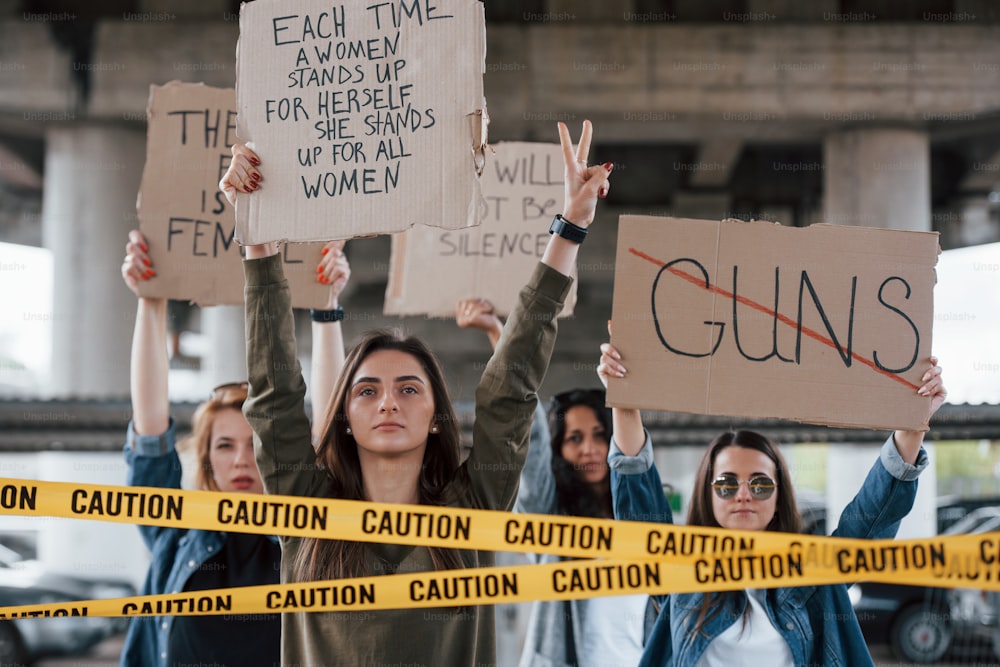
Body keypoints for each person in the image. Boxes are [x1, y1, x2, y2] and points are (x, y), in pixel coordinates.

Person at [219, 120, 612, 666]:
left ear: (435, 417)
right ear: (344, 418)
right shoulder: (305, 507)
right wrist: (257, 236)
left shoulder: (472, 511)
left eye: (408, 388)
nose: (388, 402)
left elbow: (511, 388)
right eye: (367, 391)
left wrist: (570, 227)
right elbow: (273, 395)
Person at [596, 339, 947, 667]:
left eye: (761, 484)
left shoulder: (814, 573)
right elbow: (637, 504)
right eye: (726, 483)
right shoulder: (680, 569)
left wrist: (913, 421)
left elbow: (870, 520)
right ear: (708, 494)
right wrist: (624, 398)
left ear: (779, 499)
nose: (744, 494)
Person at [118, 229, 350, 667]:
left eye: (257, 445)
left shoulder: (305, 537)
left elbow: (330, 433)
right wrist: (151, 300)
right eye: (225, 445)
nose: (243, 459)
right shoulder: (175, 535)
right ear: (206, 459)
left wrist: (326, 311)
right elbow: (150, 433)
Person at [455, 298, 647, 666]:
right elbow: (532, 440)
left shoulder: (640, 518)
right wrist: (499, 332)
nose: (589, 449)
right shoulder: (550, 514)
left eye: (598, 435)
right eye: (574, 439)